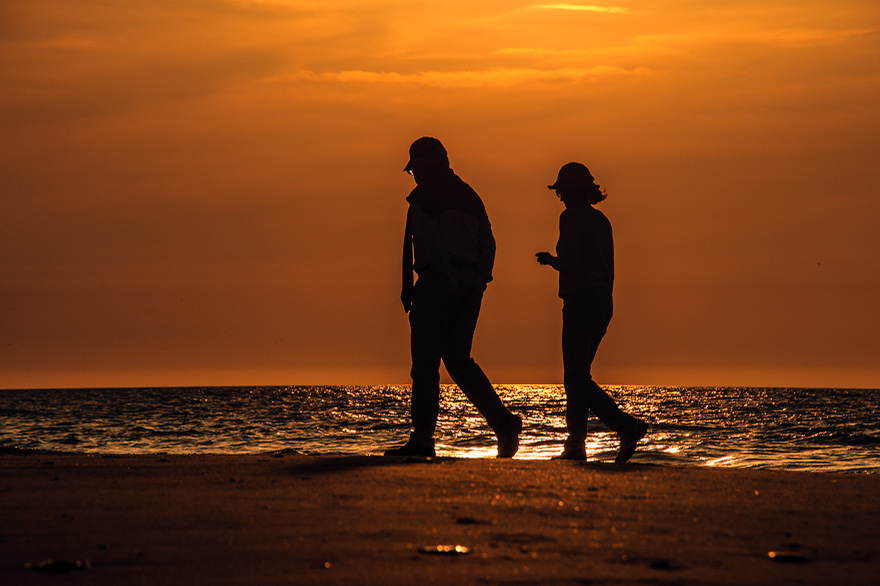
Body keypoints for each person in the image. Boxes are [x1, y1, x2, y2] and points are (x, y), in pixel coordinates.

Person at [385, 137, 522, 459]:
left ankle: (422, 439)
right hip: (469, 286)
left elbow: (431, 248)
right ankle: (502, 422)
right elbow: (488, 245)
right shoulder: (472, 198)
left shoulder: (422, 199)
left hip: (437, 285)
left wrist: (448, 283)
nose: (414, 175)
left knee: (425, 365)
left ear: (423, 166)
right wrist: (475, 285)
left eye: (415, 168)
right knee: (459, 360)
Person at [536, 162, 648, 463]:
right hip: (602, 303)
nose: (560, 197)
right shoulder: (602, 221)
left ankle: (624, 425)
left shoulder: (570, 218)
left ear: (572, 191)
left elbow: (570, 262)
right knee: (578, 377)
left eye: (562, 191)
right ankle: (575, 447)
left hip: (580, 302)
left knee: (575, 378)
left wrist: (549, 260)